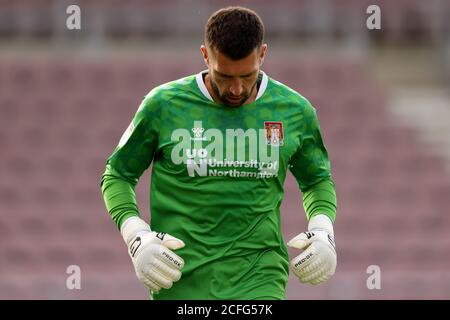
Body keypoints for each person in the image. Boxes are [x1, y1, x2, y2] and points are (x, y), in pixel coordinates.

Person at [101, 6, 337, 300]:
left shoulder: (294, 111)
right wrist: (135, 234)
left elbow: (316, 180)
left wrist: (322, 228)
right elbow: (118, 175)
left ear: (262, 54)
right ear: (205, 55)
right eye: (224, 75)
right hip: (179, 279)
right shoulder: (162, 106)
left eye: (248, 75)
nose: (236, 88)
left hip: (259, 278)